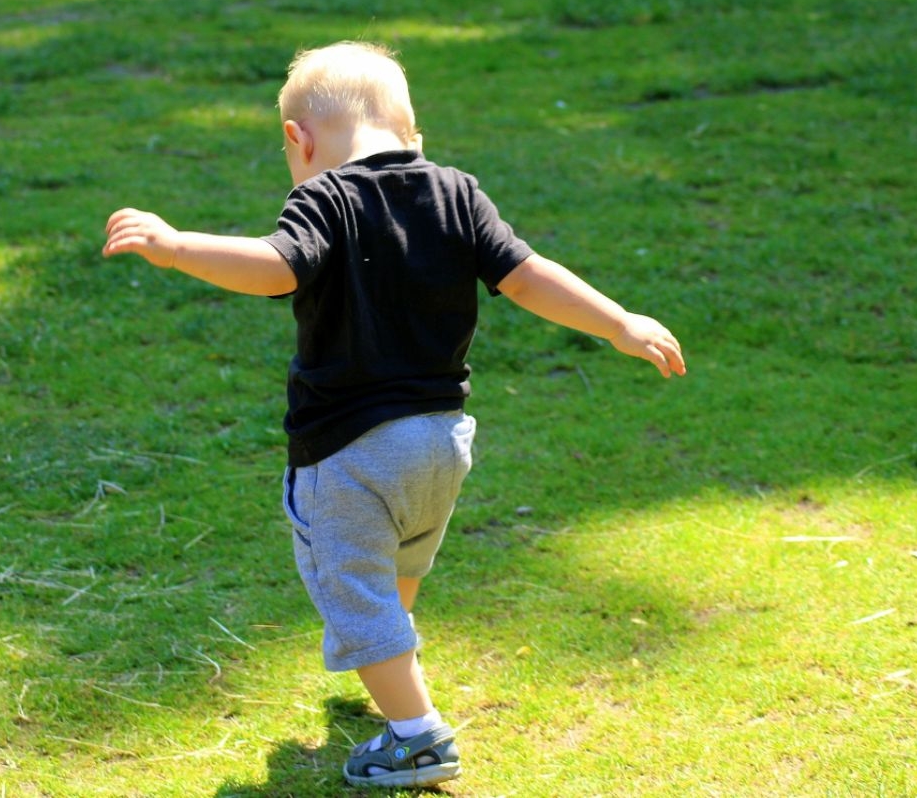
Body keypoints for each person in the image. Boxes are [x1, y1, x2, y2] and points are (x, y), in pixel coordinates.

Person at [102, 41, 686, 789]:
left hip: (349, 451)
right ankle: (394, 678)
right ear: (413, 133)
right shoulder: (456, 192)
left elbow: (275, 269)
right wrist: (618, 322)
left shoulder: (325, 197)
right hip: (442, 441)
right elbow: (528, 275)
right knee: (398, 567)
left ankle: (417, 736)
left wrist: (179, 246)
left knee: (354, 588)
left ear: (299, 141)